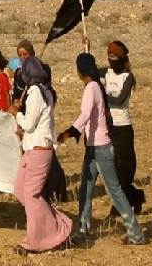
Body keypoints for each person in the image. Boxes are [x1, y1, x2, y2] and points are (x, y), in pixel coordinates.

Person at [58, 53, 146, 246]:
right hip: (94, 148)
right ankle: (83, 231)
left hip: (100, 149)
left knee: (114, 191)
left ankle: (136, 233)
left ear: (80, 71)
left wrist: (70, 131)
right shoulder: (97, 85)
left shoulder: (92, 87)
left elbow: (86, 114)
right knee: (85, 191)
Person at [8, 56, 72, 254]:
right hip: (33, 149)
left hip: (38, 150)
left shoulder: (36, 92)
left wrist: (15, 113)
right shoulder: (44, 91)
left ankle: (36, 241)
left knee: (32, 196)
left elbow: (29, 124)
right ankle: (57, 225)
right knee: (21, 190)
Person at [12, 39, 67, 203]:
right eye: (19, 55)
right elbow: (16, 92)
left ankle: (55, 191)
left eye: (25, 54)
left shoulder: (42, 73)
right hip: (24, 114)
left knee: (46, 160)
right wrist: (16, 102)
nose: (22, 58)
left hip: (37, 117)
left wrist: (22, 114)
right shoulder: (19, 73)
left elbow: (45, 92)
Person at [100, 41, 145, 215]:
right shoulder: (107, 72)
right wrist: (86, 49)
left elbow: (119, 101)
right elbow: (91, 72)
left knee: (126, 168)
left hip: (123, 128)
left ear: (122, 58)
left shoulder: (128, 77)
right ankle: (133, 198)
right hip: (110, 127)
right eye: (109, 56)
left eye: (114, 57)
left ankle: (124, 202)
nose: (111, 60)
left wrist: (102, 97)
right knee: (115, 168)